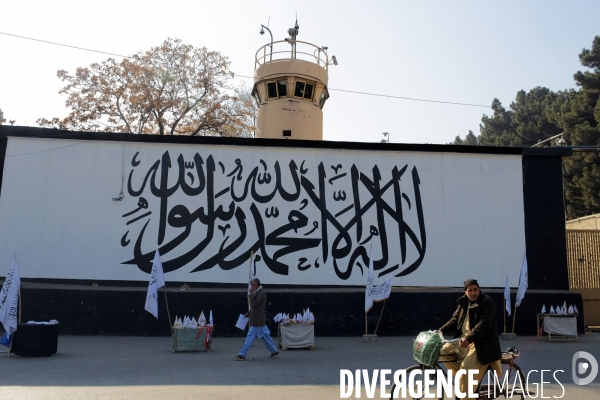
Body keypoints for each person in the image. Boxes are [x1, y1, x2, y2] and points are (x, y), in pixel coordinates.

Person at [438, 278, 502, 397]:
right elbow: (455, 319)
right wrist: (441, 330)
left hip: (480, 343)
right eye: (470, 290)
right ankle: (464, 380)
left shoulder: (487, 302)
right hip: (462, 340)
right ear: (465, 292)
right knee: (443, 351)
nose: (473, 293)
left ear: (479, 289)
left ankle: (467, 386)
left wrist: (469, 338)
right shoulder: (464, 302)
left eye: (475, 290)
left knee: (467, 370)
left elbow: (483, 325)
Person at [233, 277, 279, 360]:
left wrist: (250, 294)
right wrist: (248, 313)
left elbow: (255, 304)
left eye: (251, 285)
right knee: (266, 336)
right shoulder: (258, 291)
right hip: (259, 319)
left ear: (255, 285)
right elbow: (255, 307)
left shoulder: (262, 293)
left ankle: (242, 354)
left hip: (257, 319)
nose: (250, 287)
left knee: (249, 337)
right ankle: (274, 350)